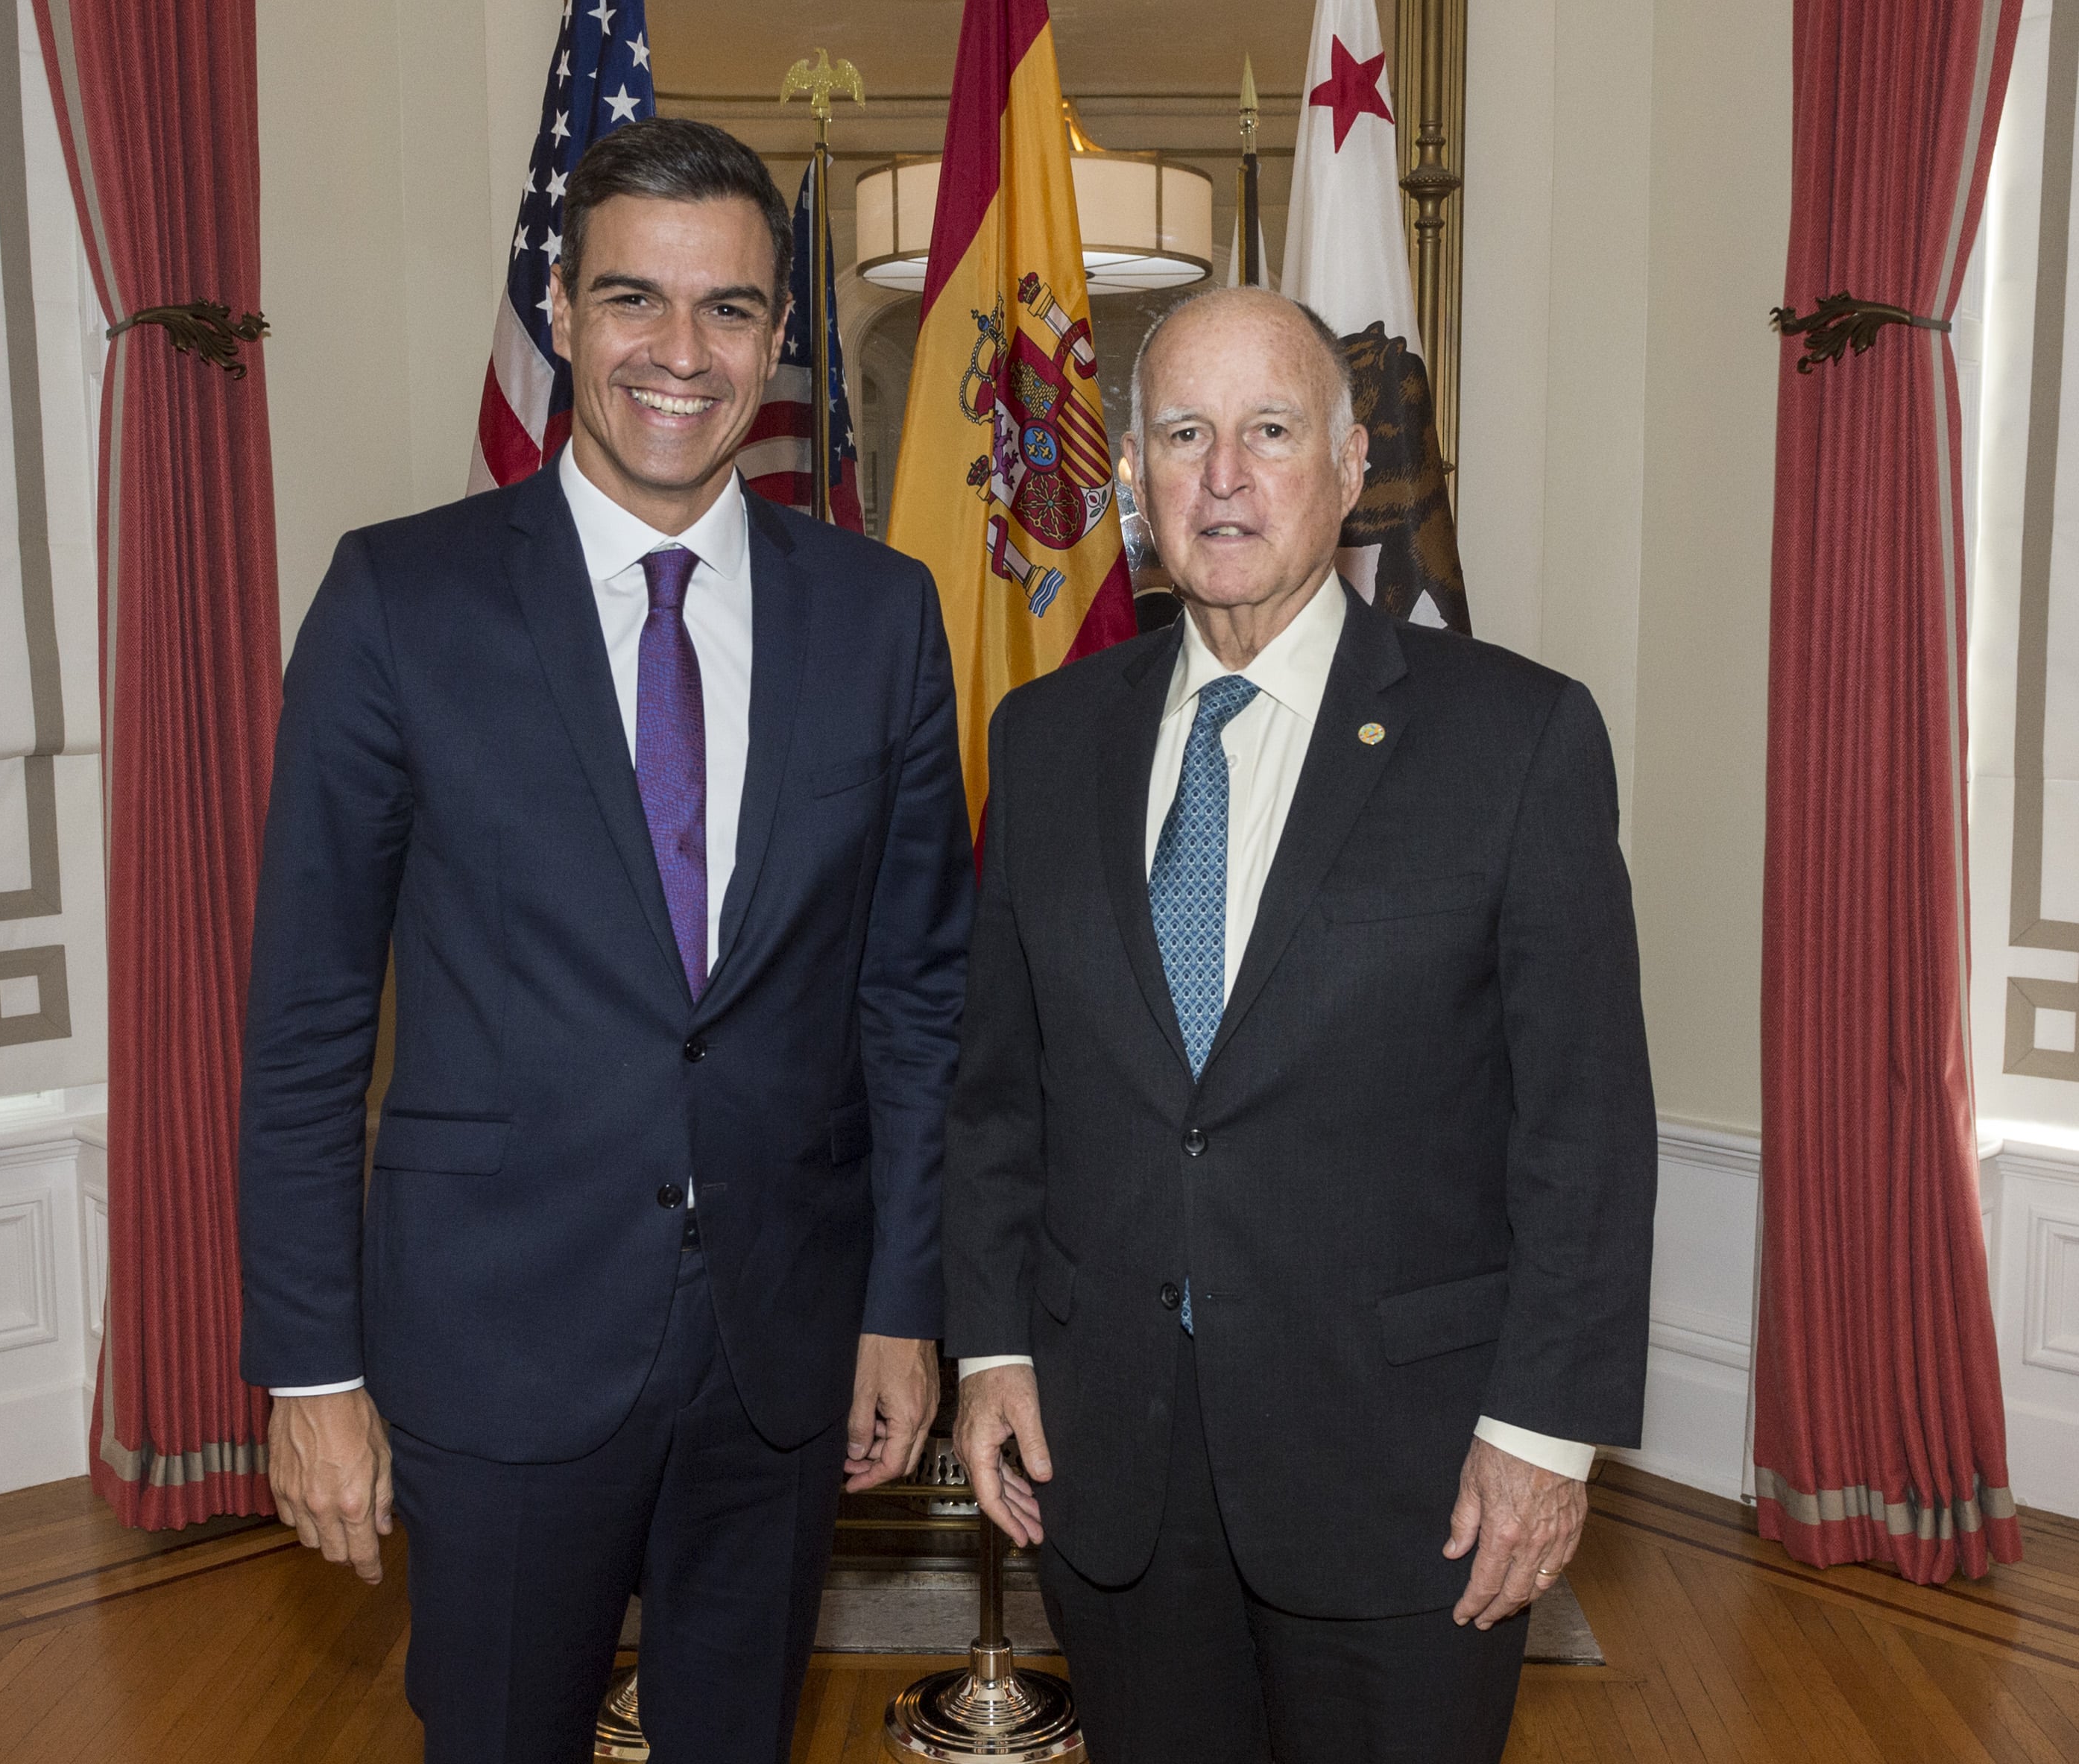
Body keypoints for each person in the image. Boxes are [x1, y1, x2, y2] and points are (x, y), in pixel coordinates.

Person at [235, 117, 974, 1764]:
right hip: (496, 1338)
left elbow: (919, 996)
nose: (678, 352)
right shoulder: (394, 603)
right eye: (633, 298)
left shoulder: (880, 615)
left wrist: (901, 1305)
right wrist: (307, 1370)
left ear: (777, 342)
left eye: (726, 310)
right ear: (559, 312)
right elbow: (303, 1022)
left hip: (785, 1349)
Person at [943, 286, 1656, 1764]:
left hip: (1409, 1469)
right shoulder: (1045, 738)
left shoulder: (1516, 739)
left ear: (1346, 468)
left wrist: (1539, 1440)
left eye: (1269, 431)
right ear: (1129, 477)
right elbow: (1000, 1093)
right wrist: (991, 1347)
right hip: (1114, 1454)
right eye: (1184, 434)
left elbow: (1582, 1121)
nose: (1224, 474)